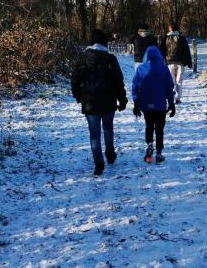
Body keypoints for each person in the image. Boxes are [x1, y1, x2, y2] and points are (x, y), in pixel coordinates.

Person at [70, 28, 127, 176]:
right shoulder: (111, 59)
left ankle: (99, 163)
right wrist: (122, 99)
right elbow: (118, 81)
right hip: (108, 102)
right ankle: (110, 153)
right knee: (108, 129)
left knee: (94, 134)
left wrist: (78, 96)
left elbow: (75, 79)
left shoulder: (83, 58)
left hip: (90, 103)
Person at [131, 46, 176, 164]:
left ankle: (149, 144)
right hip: (160, 105)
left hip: (146, 105)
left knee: (149, 125)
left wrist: (136, 103)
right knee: (160, 128)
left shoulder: (141, 69)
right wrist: (171, 103)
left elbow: (135, 87)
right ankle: (159, 152)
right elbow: (169, 87)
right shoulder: (164, 69)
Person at [160, 23, 192, 104]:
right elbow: (186, 50)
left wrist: (161, 61)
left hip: (169, 62)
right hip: (180, 63)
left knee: (171, 81)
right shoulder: (181, 38)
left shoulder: (165, 38)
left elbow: (161, 51)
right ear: (177, 29)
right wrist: (189, 62)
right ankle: (178, 98)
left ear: (170, 29)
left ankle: (171, 97)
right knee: (179, 81)